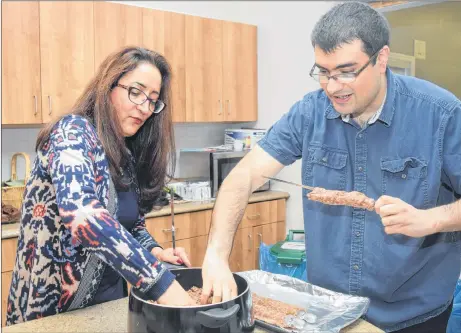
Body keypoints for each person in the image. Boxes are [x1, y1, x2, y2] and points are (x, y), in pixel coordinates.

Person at [200, 2, 461, 333]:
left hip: (412, 315)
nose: (333, 86)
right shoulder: (309, 113)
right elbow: (244, 176)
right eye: (323, 71)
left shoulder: (442, 114)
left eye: (347, 71)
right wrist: (217, 255)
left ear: (381, 59)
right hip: (327, 311)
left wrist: (429, 220)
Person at [6, 46, 195, 326]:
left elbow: (132, 225)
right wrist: (160, 282)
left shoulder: (124, 153)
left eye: (153, 100)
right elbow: (83, 213)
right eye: (136, 92)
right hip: (52, 314)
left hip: (109, 304)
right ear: (108, 86)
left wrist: (155, 251)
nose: (144, 108)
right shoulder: (72, 133)